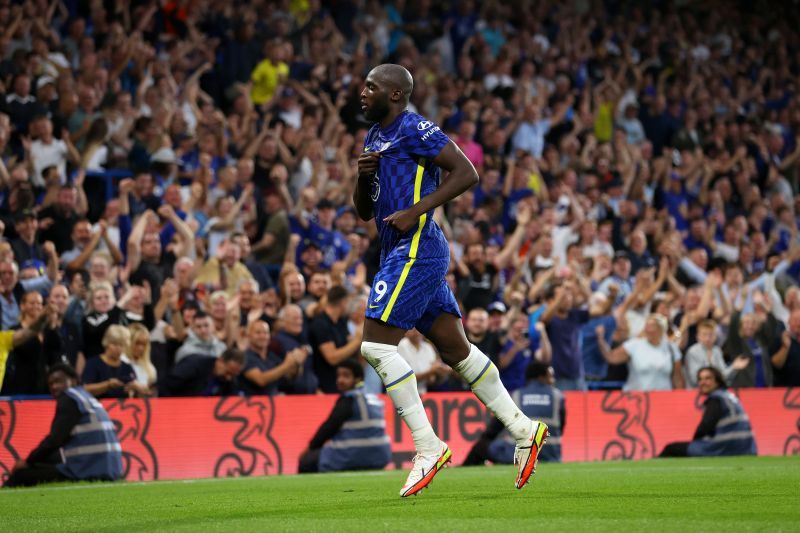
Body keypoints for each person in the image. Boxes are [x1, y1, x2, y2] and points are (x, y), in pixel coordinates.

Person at [354, 64, 547, 497]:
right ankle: (524, 428)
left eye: (372, 87)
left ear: (397, 95)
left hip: (416, 247)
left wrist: (416, 210)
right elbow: (364, 213)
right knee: (456, 350)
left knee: (375, 345)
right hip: (399, 249)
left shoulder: (415, 128)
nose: (362, 92)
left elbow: (466, 173)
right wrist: (364, 178)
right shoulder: (375, 137)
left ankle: (427, 445)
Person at [3, 364, 123, 487]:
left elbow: (54, 440)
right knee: (51, 460)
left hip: (89, 470)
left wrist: (27, 462)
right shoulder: (85, 396)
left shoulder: (69, 398)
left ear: (74, 380)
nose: (54, 387)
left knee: (21, 475)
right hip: (112, 469)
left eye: (58, 381)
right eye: (50, 384)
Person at [298, 359, 391, 473]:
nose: (340, 380)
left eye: (346, 376)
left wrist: (310, 448)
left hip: (352, 456)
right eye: (338, 376)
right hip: (381, 456)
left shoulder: (349, 399)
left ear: (358, 379)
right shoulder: (373, 398)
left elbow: (329, 427)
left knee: (306, 462)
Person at [464, 361, 564, 465]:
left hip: (518, 455)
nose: (553, 380)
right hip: (551, 455)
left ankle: (464, 468)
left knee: (480, 448)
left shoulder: (516, 396)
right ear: (541, 377)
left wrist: (485, 440)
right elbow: (560, 428)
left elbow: (494, 428)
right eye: (550, 377)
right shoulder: (558, 396)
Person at [659, 367, 757, 457]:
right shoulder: (729, 396)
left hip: (724, 447)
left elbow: (706, 426)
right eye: (700, 379)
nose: (703, 382)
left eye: (708, 378)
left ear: (717, 381)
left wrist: (696, 442)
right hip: (746, 448)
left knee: (671, 448)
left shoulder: (716, 399)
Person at [163, 348, 245, 397]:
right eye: (228, 372)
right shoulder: (194, 365)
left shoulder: (230, 380)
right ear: (220, 361)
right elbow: (167, 385)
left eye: (233, 375)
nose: (229, 377)